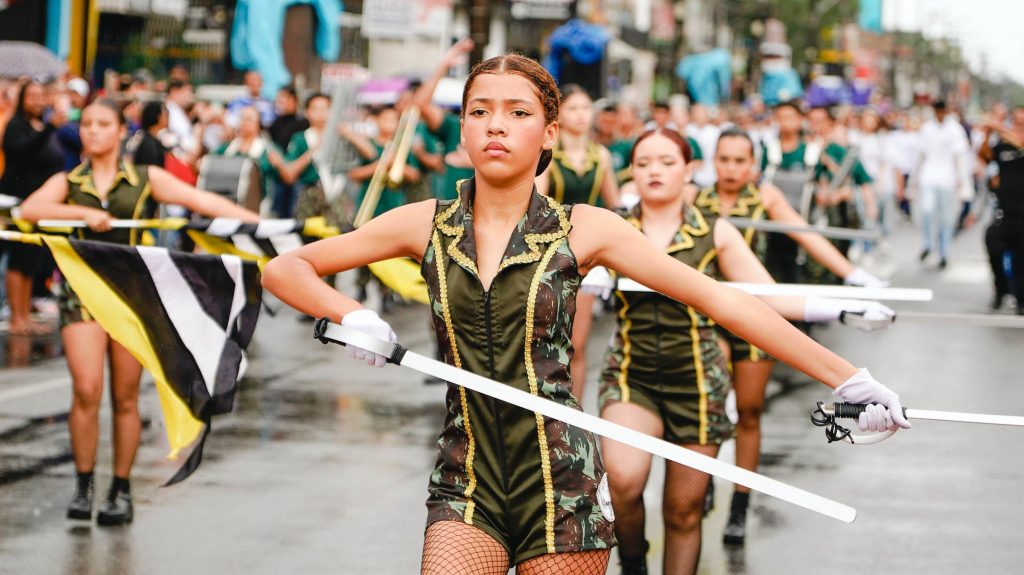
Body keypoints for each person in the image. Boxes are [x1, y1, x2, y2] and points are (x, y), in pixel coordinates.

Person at [261, 52, 909, 575]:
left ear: (547, 134)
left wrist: (845, 377)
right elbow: (286, 268)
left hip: (561, 481)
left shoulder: (586, 228)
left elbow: (721, 298)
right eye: (479, 110)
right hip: (465, 477)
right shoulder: (425, 223)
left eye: (517, 112)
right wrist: (351, 315)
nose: (495, 123)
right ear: (460, 129)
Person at [600, 127, 893, 575]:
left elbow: (766, 298)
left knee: (685, 509)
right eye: (643, 163)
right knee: (622, 480)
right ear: (631, 173)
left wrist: (843, 306)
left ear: (689, 171)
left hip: (698, 383)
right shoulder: (614, 228)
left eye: (666, 162)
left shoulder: (713, 230)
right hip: (629, 378)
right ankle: (634, 562)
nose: (654, 172)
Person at [19, 99, 260, 526]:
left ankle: (121, 488)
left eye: (103, 124)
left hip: (133, 298)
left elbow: (202, 200)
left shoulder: (145, 178)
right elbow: (29, 211)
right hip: (83, 296)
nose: (93, 131)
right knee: (86, 389)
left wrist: (260, 226)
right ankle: (84, 483)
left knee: (126, 397)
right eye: (87, 124)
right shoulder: (68, 181)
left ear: (120, 132)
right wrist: (82, 213)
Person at [685, 128, 887, 546]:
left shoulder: (766, 197)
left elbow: (806, 235)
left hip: (758, 316)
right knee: (708, 396)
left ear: (753, 164)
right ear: (713, 161)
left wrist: (851, 276)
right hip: (707, 315)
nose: (731, 168)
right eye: (724, 159)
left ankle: (739, 502)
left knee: (751, 411)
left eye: (740, 161)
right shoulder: (694, 198)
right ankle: (700, 481)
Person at [535, 83, 620, 398]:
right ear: (558, 114)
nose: (582, 115)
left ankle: (575, 416)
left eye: (586, 108)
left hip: (588, 256)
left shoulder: (602, 156)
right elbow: (537, 199)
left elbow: (615, 205)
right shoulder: (548, 154)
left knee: (577, 343)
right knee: (544, 340)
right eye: (573, 108)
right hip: (551, 252)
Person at [0, 80, 67, 335]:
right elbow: (21, 153)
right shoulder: (17, 125)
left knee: (31, 259)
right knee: (19, 258)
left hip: (42, 205)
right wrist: (49, 128)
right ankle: (16, 316)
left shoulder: (43, 127)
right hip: (20, 202)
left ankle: (25, 313)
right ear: (22, 99)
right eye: (32, 96)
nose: (38, 101)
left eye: (41, 96)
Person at [912, 100, 970, 269]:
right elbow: (919, 157)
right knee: (927, 211)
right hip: (928, 177)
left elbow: (961, 160)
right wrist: (912, 183)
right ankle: (928, 244)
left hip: (947, 180)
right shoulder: (927, 129)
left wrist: (965, 184)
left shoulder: (954, 129)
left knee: (946, 218)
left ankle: (944, 252)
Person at [979, 105, 1024, 314]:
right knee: (993, 244)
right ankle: (1001, 290)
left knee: (1020, 256)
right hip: (1004, 208)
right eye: (1015, 121)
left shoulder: (1016, 140)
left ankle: (1020, 298)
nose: (1018, 125)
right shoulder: (1003, 144)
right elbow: (985, 156)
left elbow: (1020, 142)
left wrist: (998, 126)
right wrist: (988, 135)